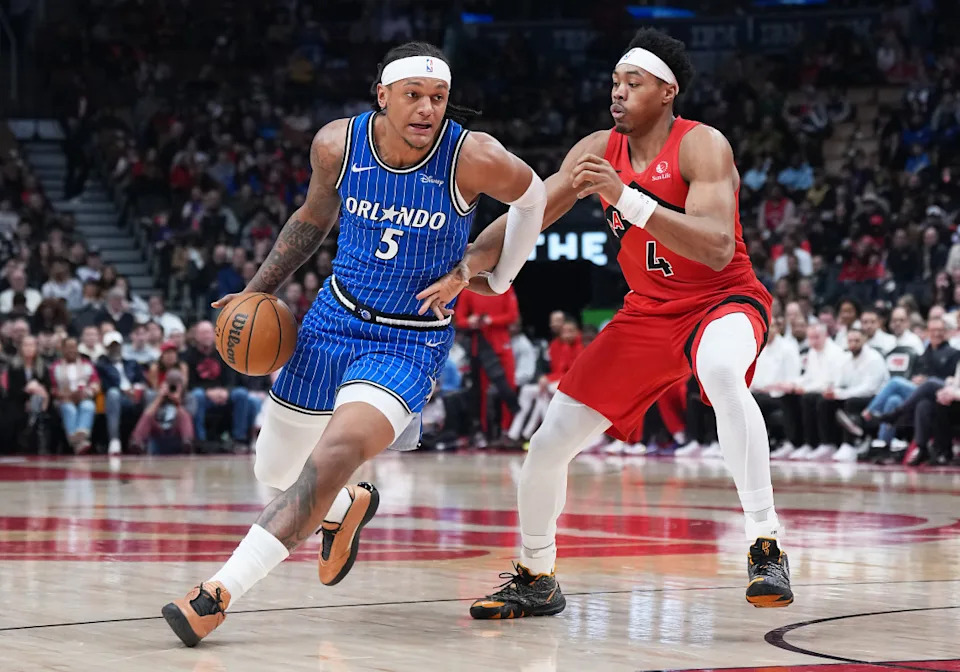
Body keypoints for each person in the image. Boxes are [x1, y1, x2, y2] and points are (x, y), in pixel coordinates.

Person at [161, 41, 546, 647]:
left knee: (335, 451)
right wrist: (252, 292)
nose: (427, 109)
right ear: (383, 95)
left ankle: (216, 594)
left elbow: (534, 199)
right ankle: (345, 509)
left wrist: (482, 271)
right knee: (274, 467)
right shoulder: (337, 144)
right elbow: (313, 218)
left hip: (408, 338)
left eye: (438, 98)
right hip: (332, 319)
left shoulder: (472, 157)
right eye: (414, 96)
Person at [424, 28, 790, 616]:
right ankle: (536, 575)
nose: (617, 93)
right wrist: (469, 264)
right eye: (614, 83)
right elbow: (530, 213)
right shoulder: (597, 148)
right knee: (547, 444)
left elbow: (718, 247)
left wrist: (629, 199)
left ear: (667, 91)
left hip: (721, 300)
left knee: (722, 372)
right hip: (647, 313)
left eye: (633, 83)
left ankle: (765, 542)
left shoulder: (702, 145)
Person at [96, 331, 148, 455]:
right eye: (111, 346)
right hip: (117, 397)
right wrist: (123, 390)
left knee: (150, 394)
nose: (115, 349)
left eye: (117, 345)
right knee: (113, 393)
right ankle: (114, 440)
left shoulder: (132, 363)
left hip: (134, 395)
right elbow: (104, 385)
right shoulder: (101, 365)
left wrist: (136, 388)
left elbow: (141, 380)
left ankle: (142, 439)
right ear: (106, 348)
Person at [50, 337, 100, 454]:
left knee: (88, 406)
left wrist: (86, 392)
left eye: (73, 347)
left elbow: (96, 384)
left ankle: (77, 441)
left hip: (83, 397)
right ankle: (80, 442)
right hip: (64, 400)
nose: (71, 350)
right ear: (62, 349)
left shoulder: (87, 364)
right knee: (69, 409)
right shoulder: (55, 367)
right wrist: (63, 395)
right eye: (68, 347)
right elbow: (52, 388)